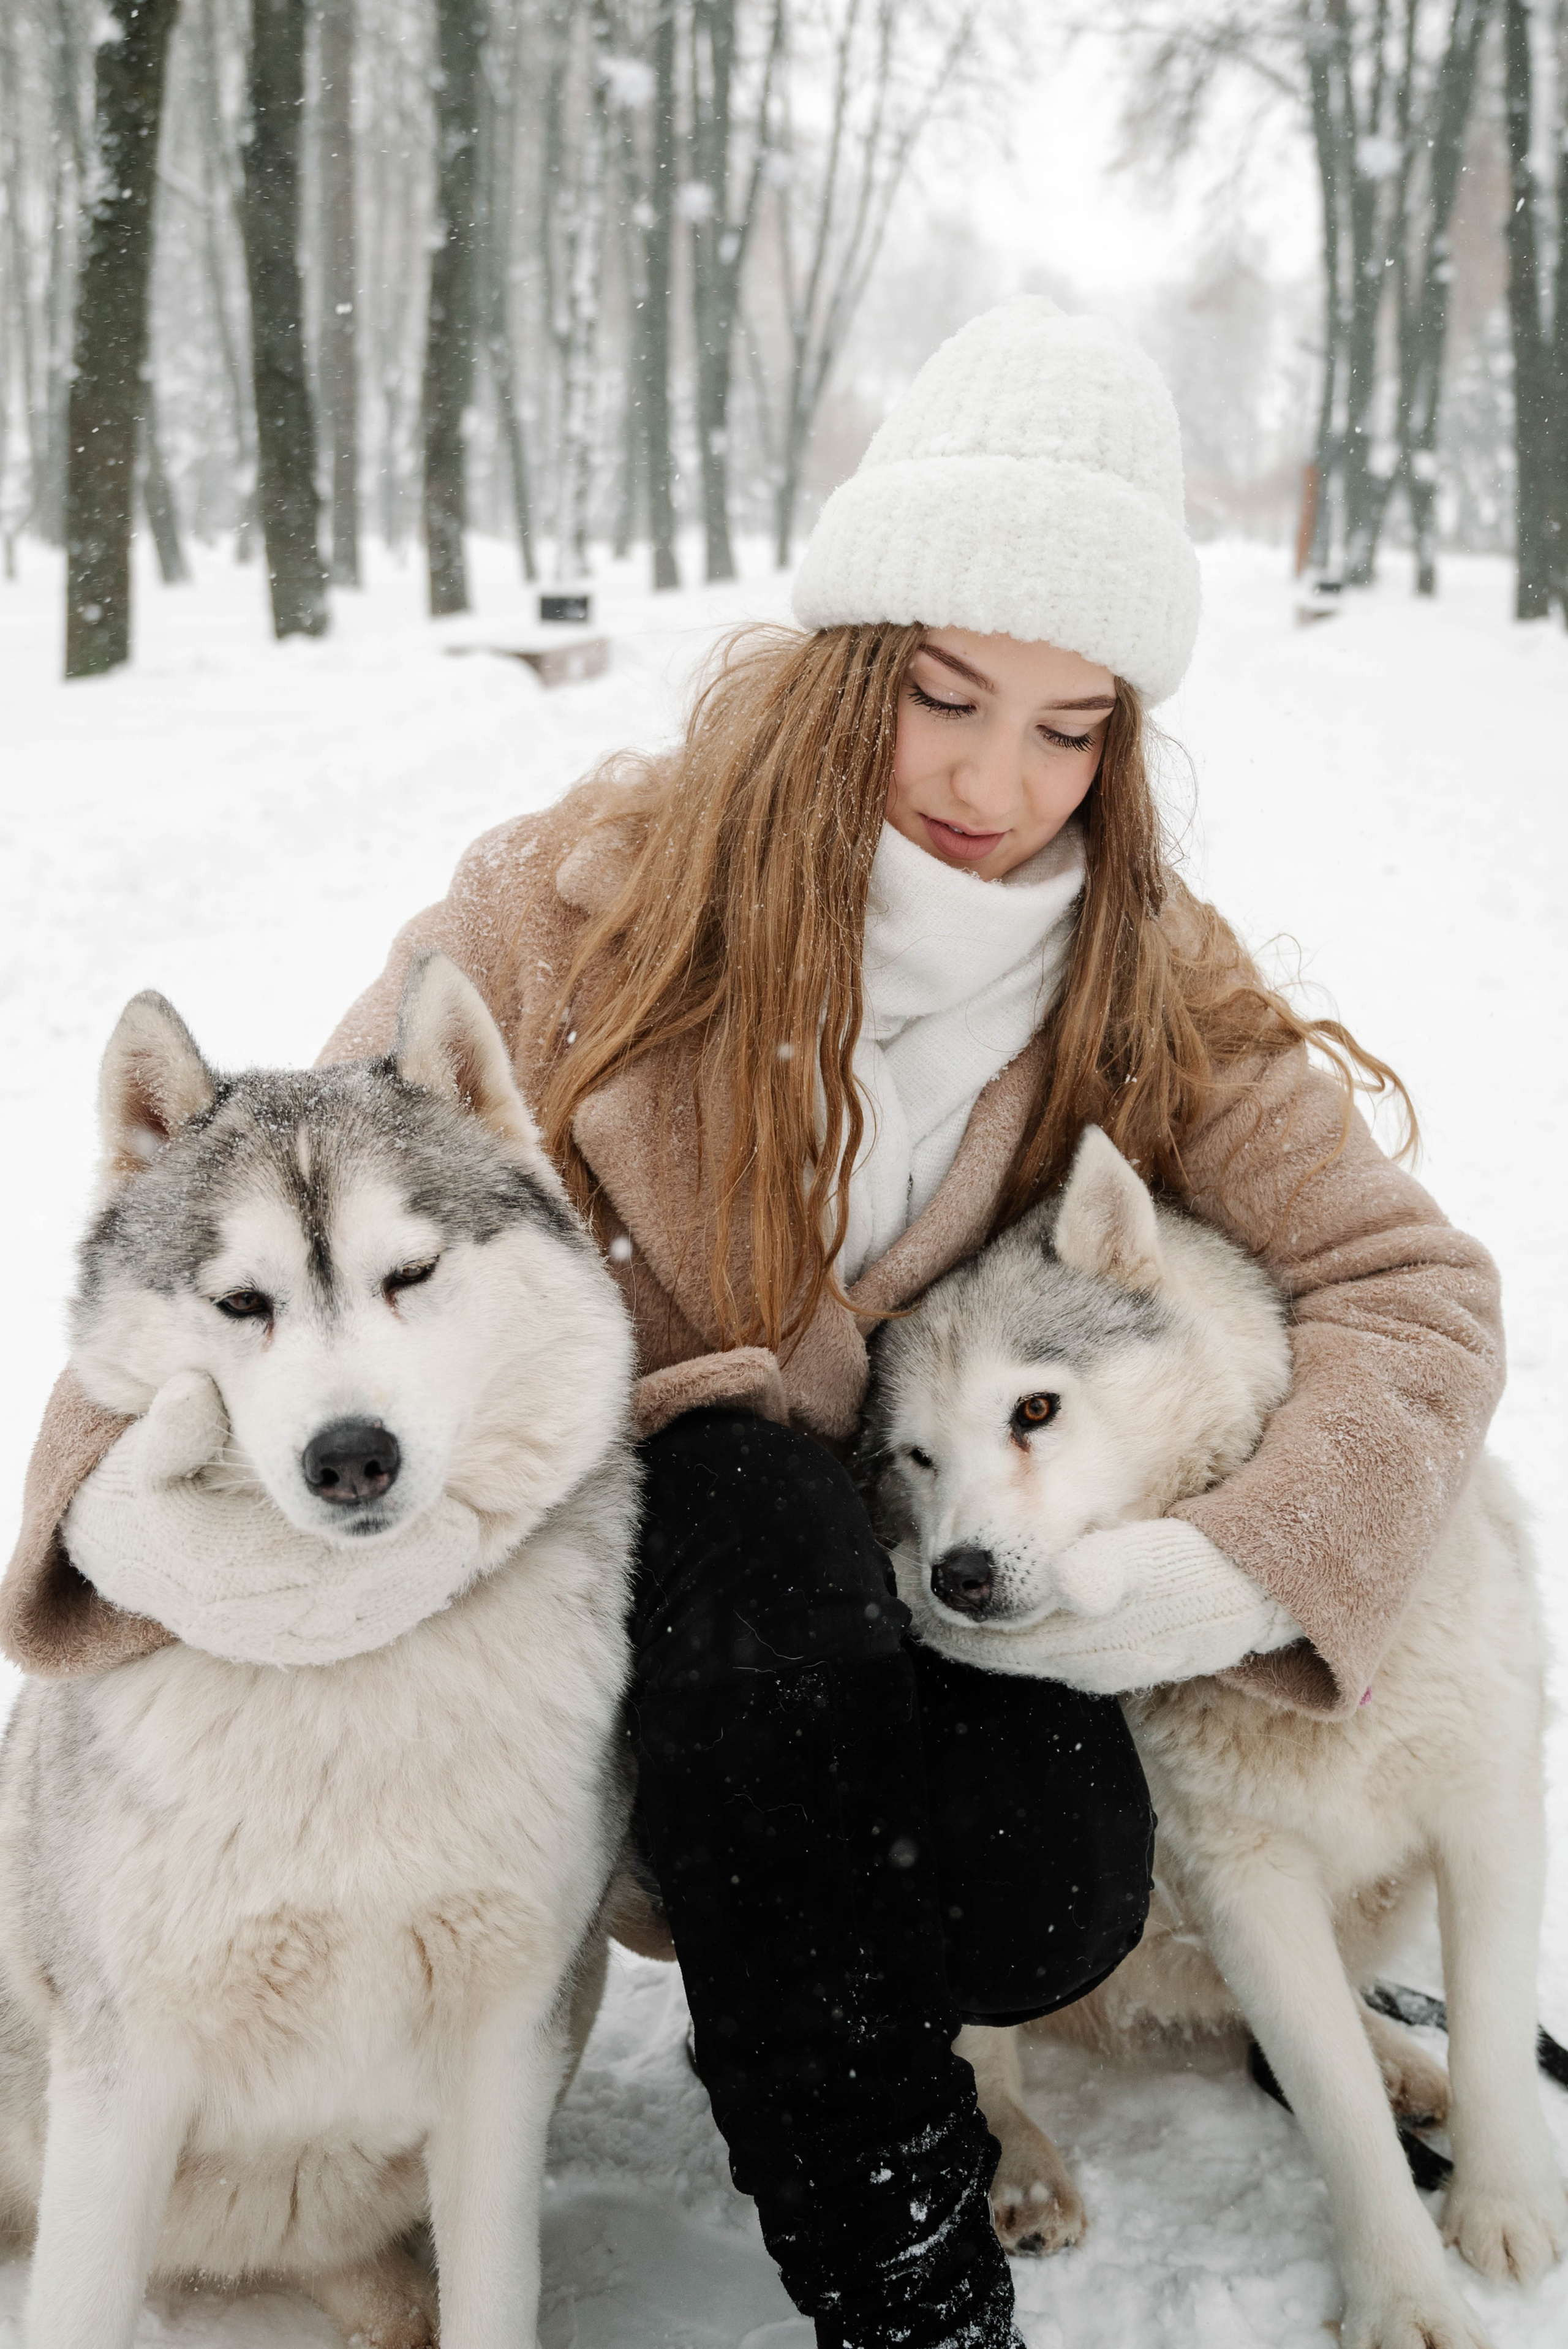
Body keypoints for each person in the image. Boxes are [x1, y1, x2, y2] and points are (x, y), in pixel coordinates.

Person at [2, 299, 1504, 2349]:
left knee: (1049, 1885)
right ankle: (896, 2250)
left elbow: (1416, 1290)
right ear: (844, 663)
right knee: (746, 1498)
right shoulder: (577, 901)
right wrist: (107, 1506)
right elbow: (242, 1222)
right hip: (651, 1651)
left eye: (1074, 727)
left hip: (938, 1594)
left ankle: (892, 1988)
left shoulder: (1136, 967)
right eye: (949, 693)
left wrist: (1220, 1568)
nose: (999, 780)